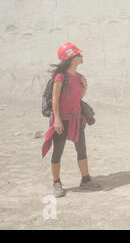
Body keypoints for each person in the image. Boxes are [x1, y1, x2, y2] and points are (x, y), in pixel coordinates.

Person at [43, 42, 101, 197]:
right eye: (78, 54)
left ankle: (86, 180)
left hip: (76, 119)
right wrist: (57, 120)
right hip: (62, 120)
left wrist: (84, 87)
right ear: (71, 59)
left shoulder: (80, 78)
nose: (81, 56)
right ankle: (56, 183)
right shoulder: (60, 77)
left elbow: (77, 97)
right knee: (58, 151)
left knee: (82, 150)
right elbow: (55, 100)